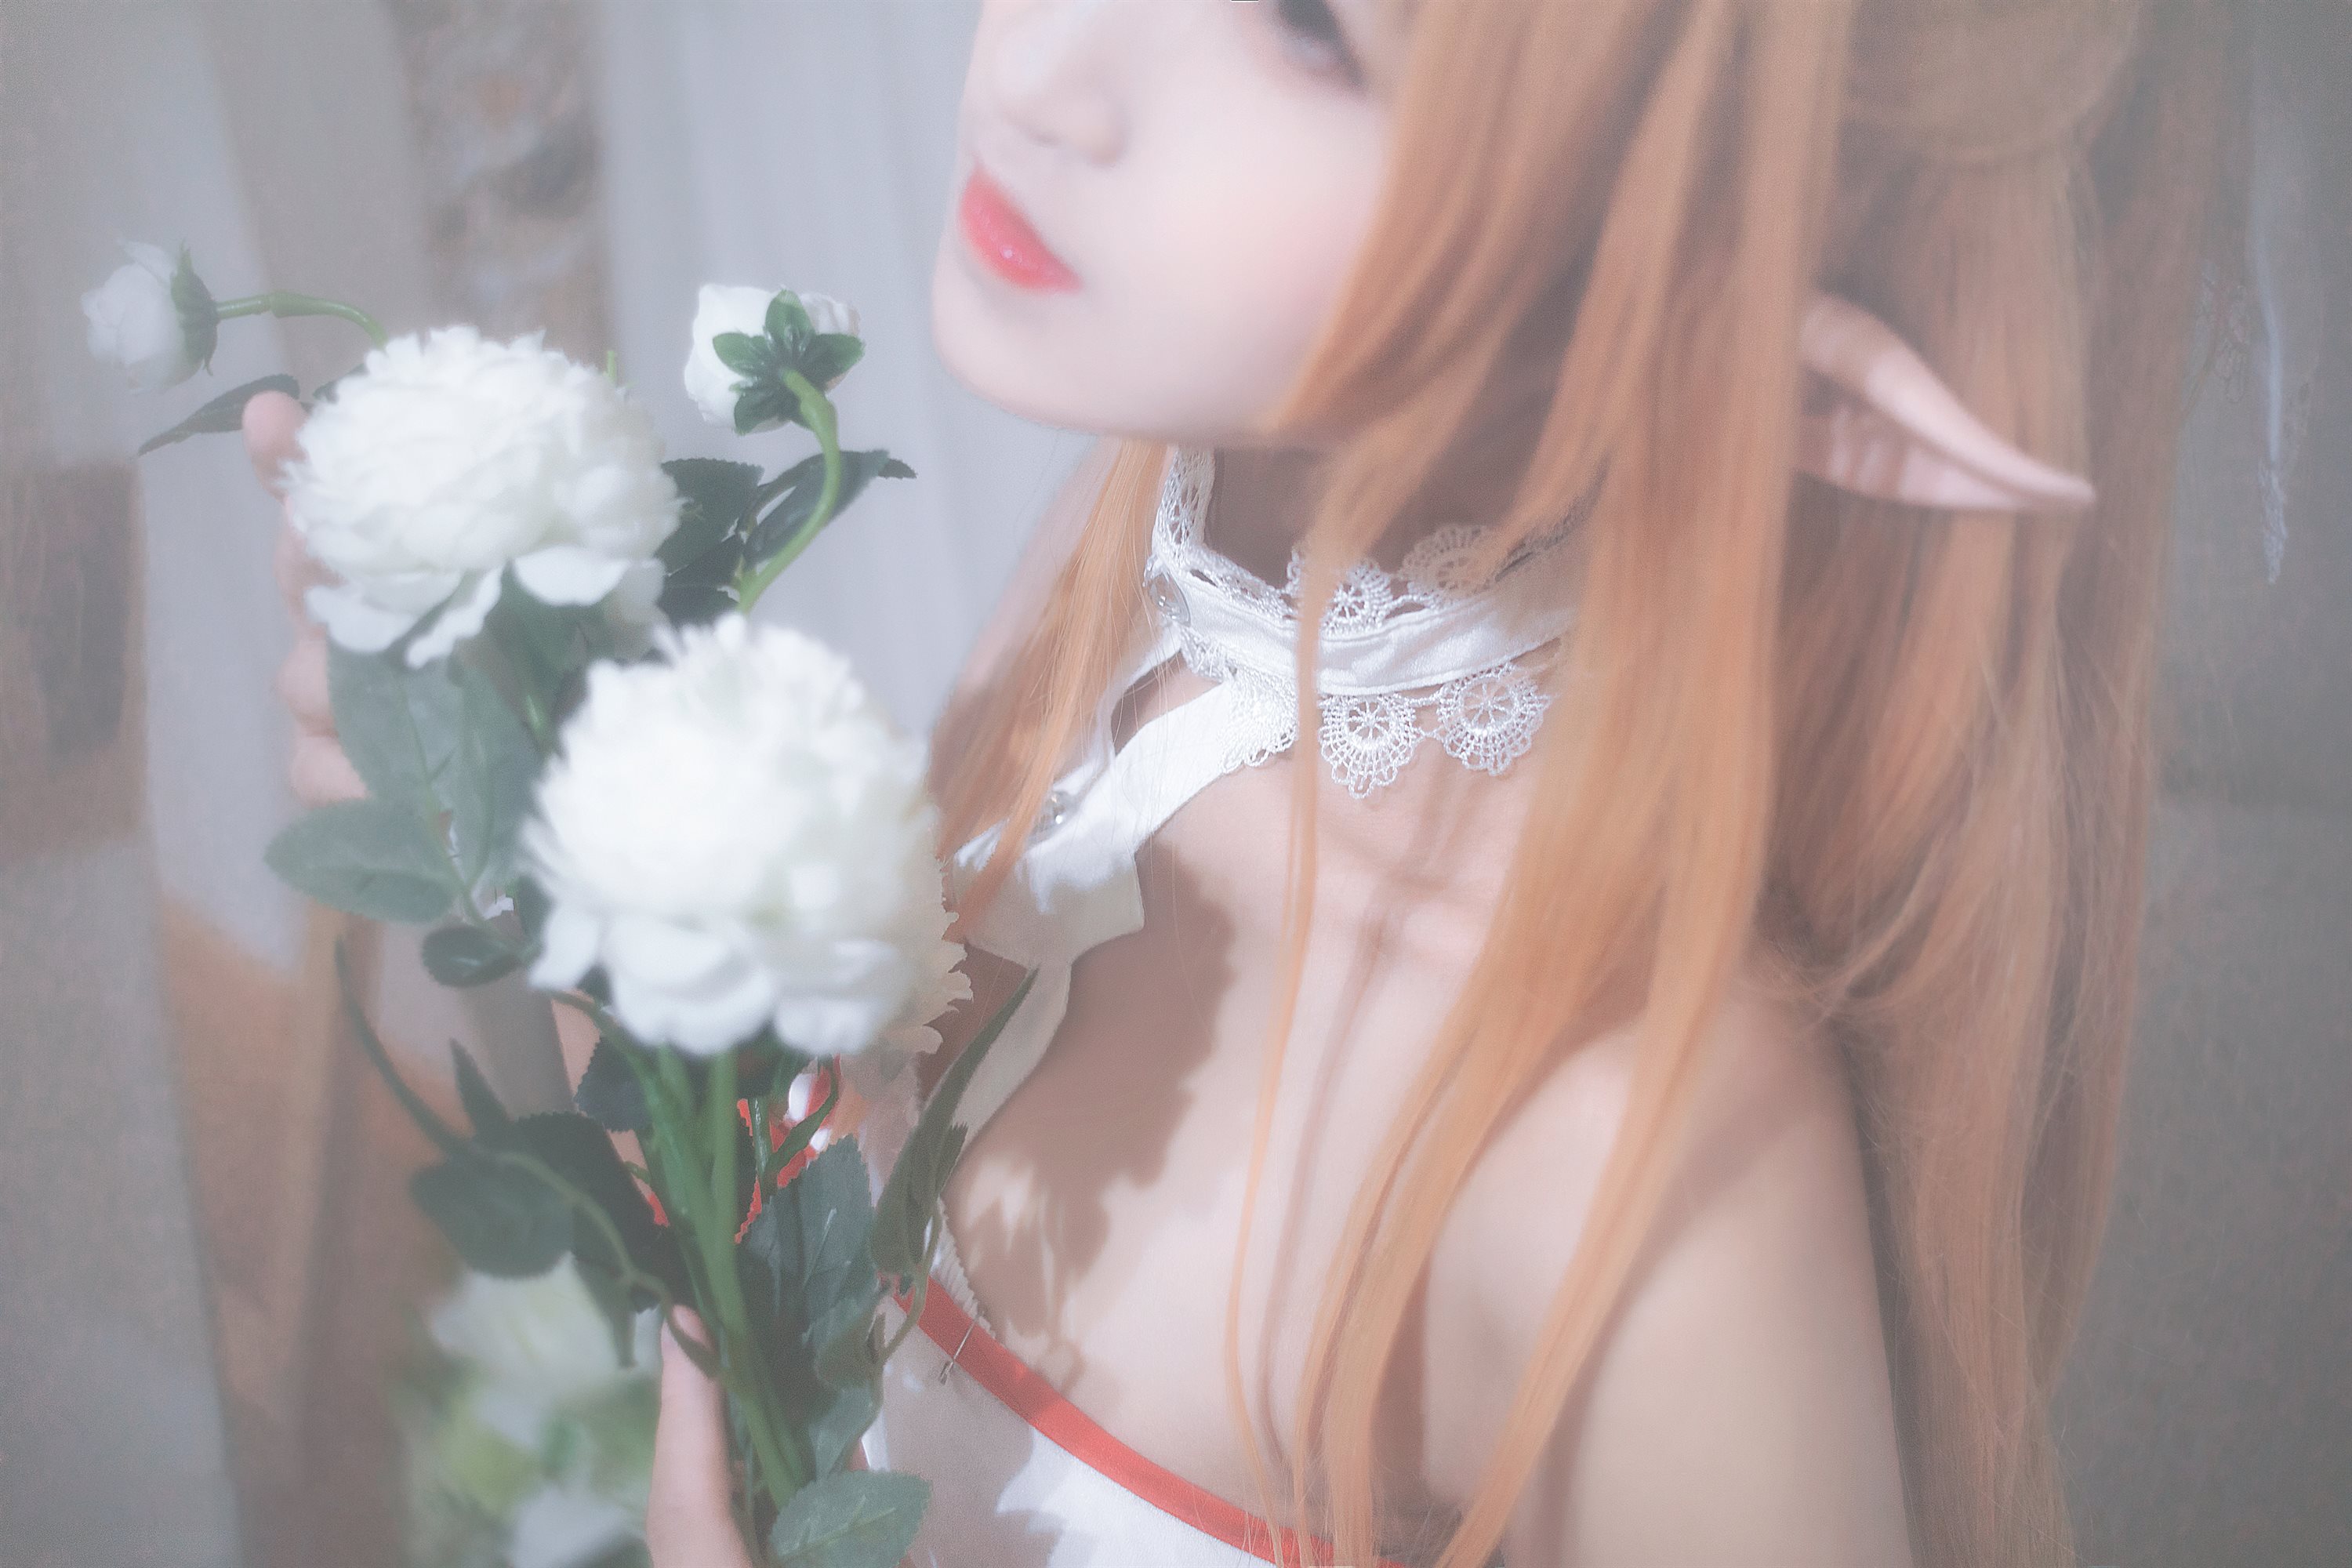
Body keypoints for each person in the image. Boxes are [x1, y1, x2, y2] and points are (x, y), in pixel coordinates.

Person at [245, 1, 2234, 1563]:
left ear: (1728, 269)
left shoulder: (1637, 1172)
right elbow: (838, 1259)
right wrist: (571, 860)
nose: (1042, 64)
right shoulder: (1136, 571)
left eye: (1306, 23)